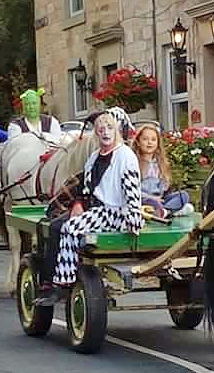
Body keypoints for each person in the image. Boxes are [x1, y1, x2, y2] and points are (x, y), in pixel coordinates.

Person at [36, 110, 143, 305]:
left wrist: (134, 218)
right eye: (101, 129)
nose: (105, 133)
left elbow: (132, 190)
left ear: (117, 130)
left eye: (109, 128)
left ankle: (63, 283)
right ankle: (60, 279)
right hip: (96, 210)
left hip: (115, 212)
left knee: (69, 229)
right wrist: (78, 204)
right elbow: (85, 188)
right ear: (96, 133)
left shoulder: (125, 156)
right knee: (63, 226)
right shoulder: (94, 157)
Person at [131, 124, 194, 218]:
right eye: (145, 139)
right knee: (153, 203)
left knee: (183, 196)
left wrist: (164, 185)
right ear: (138, 142)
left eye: (153, 140)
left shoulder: (160, 163)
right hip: (144, 199)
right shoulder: (134, 162)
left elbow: (163, 188)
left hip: (160, 199)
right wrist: (151, 197)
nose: (149, 142)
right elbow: (133, 189)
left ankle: (164, 212)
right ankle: (169, 212)